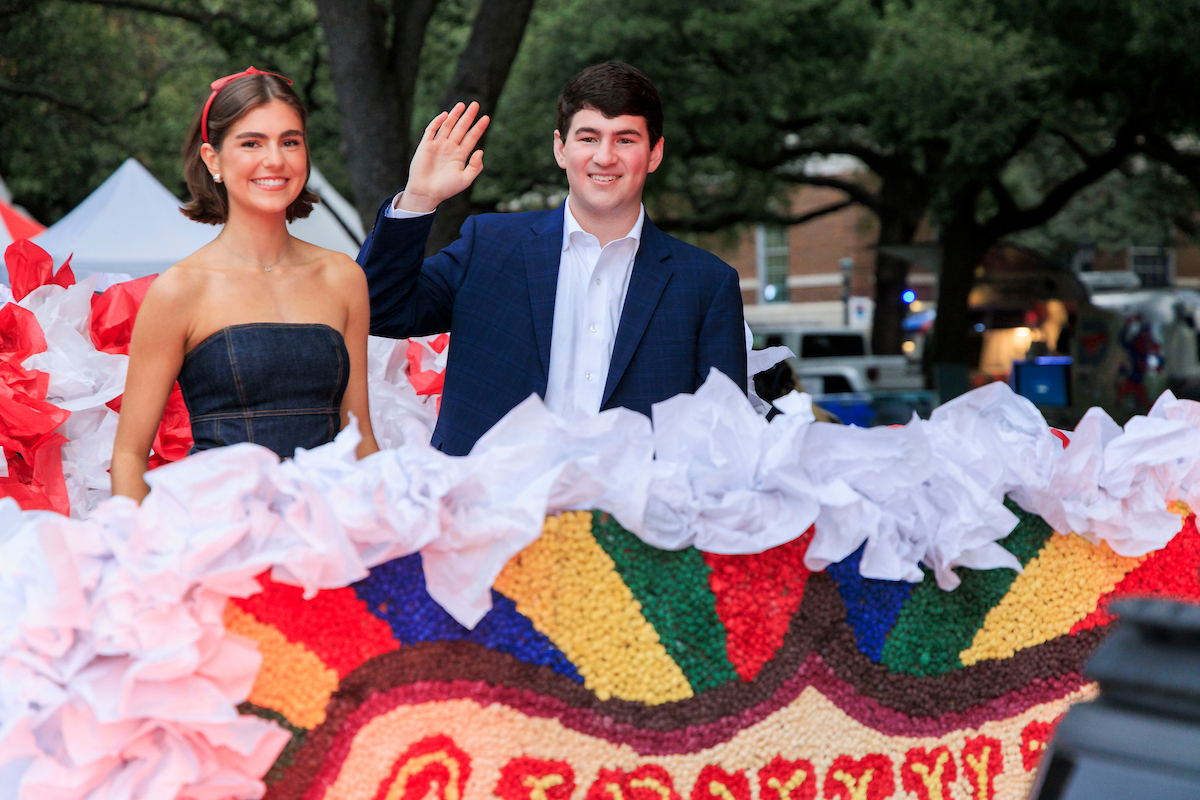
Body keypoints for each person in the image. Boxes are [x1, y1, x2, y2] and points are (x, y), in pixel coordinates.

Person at [358, 62, 746, 456]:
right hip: (487, 488)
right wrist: (419, 199)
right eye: (589, 138)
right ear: (561, 148)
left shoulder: (706, 284)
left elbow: (725, 436)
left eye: (625, 140)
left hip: (637, 494)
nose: (605, 157)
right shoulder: (489, 245)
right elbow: (379, 310)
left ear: (654, 153)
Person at [110, 67, 379, 502]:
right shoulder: (180, 289)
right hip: (220, 526)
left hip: (333, 522)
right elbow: (128, 454)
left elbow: (359, 435)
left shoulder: (343, 277)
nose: (275, 160)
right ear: (212, 159)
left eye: (290, 141)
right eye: (251, 143)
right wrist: (136, 539)